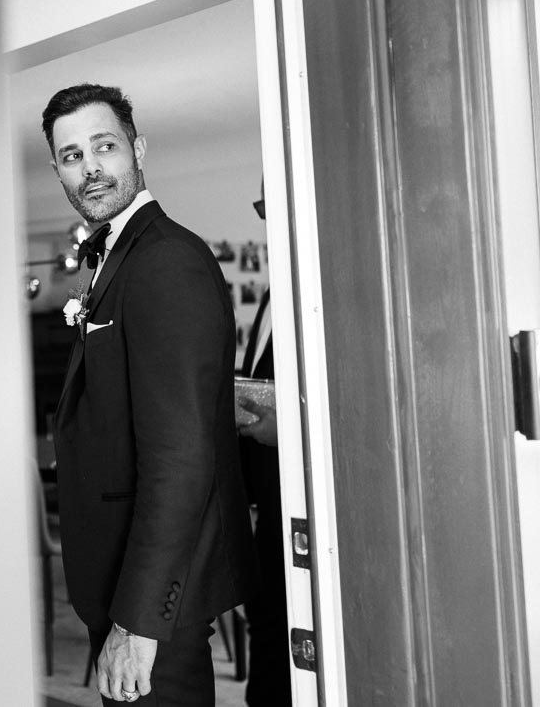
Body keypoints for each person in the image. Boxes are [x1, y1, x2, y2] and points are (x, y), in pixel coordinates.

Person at [44, 83, 253, 706]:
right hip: (120, 582)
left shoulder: (165, 261)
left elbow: (181, 457)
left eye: (103, 146)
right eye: (71, 155)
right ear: (58, 170)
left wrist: (137, 622)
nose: (91, 168)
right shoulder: (117, 259)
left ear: (137, 148)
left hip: (153, 602)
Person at [234, 187, 293, 707]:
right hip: (264, 496)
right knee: (265, 618)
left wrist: (286, 432)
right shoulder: (275, 293)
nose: (268, 220)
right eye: (262, 211)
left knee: (282, 622)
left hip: (298, 495)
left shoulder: (315, 286)